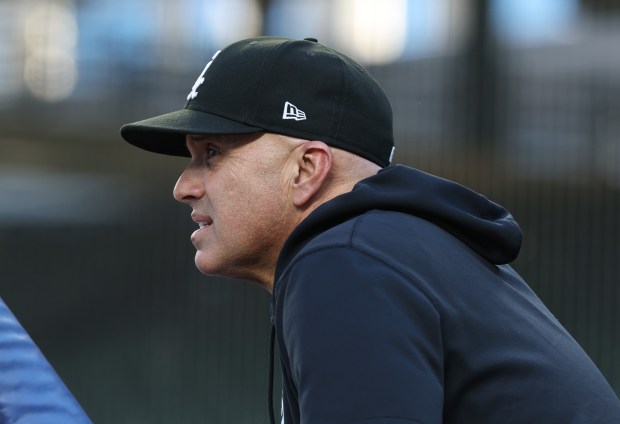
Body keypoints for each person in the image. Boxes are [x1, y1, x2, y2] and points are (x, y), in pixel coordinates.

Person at [120, 36, 620, 424]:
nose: (184, 186)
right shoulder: (391, 249)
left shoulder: (346, 262)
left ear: (306, 169)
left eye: (213, 154)